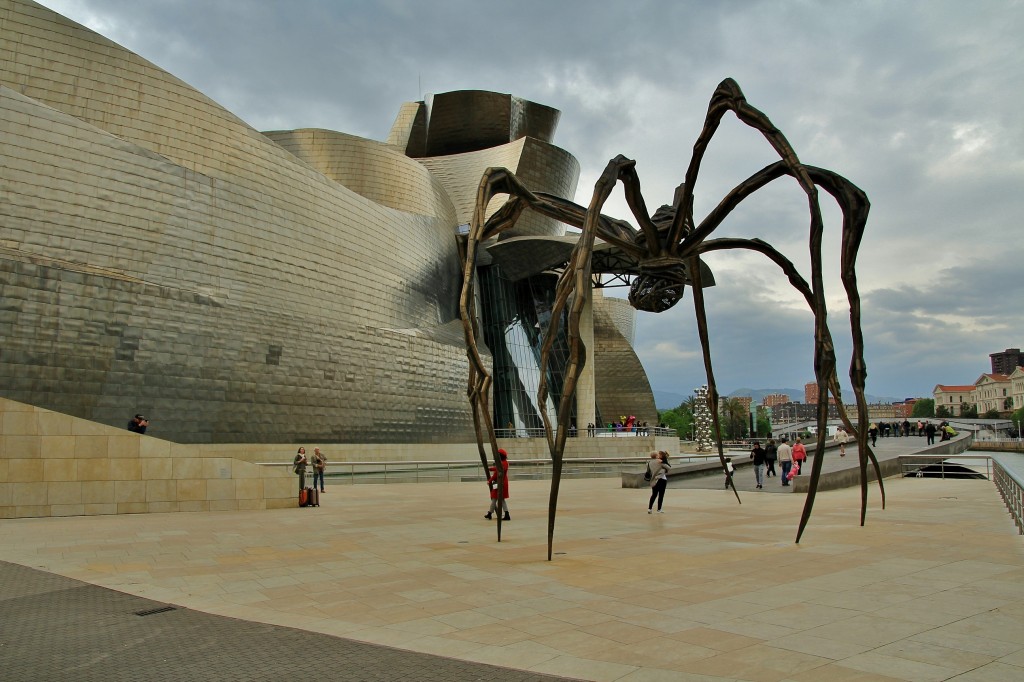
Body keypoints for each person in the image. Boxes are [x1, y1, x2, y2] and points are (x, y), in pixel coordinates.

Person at [484, 449, 510, 520]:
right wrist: (491, 469)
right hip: (502, 482)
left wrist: (489, 481)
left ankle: (490, 513)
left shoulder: (502, 463)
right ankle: (491, 513)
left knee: (495, 498)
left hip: (500, 483)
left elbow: (496, 474)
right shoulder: (505, 463)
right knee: (498, 499)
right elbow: (497, 469)